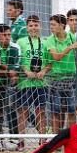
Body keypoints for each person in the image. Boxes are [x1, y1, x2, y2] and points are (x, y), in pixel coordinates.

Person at [16, 14, 49, 145]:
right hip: (25, 83)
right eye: (31, 25)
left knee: (40, 111)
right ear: (27, 27)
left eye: (36, 25)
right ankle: (21, 140)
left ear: (40, 26)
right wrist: (26, 71)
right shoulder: (21, 42)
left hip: (41, 83)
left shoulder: (46, 42)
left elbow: (50, 61)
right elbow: (18, 60)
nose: (33, 28)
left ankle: (42, 140)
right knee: (23, 111)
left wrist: (43, 71)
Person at [46, 13, 77, 132]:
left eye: (53, 24)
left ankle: (70, 137)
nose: (51, 27)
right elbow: (56, 57)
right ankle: (57, 138)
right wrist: (70, 47)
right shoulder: (50, 40)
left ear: (62, 25)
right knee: (56, 111)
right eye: (50, 24)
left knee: (72, 110)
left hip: (71, 78)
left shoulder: (72, 37)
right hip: (56, 79)